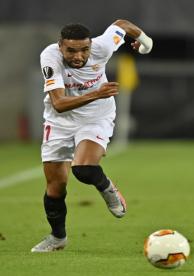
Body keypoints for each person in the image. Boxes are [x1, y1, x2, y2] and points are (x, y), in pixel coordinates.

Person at [31, 19, 153, 252]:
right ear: (60, 46)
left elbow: (122, 24)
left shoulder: (103, 46)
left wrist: (146, 42)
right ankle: (58, 238)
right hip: (60, 122)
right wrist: (97, 93)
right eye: (71, 50)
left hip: (96, 117)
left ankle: (108, 188)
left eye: (84, 50)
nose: (78, 56)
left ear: (91, 46)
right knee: (55, 187)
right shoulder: (50, 57)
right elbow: (58, 103)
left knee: (84, 169)